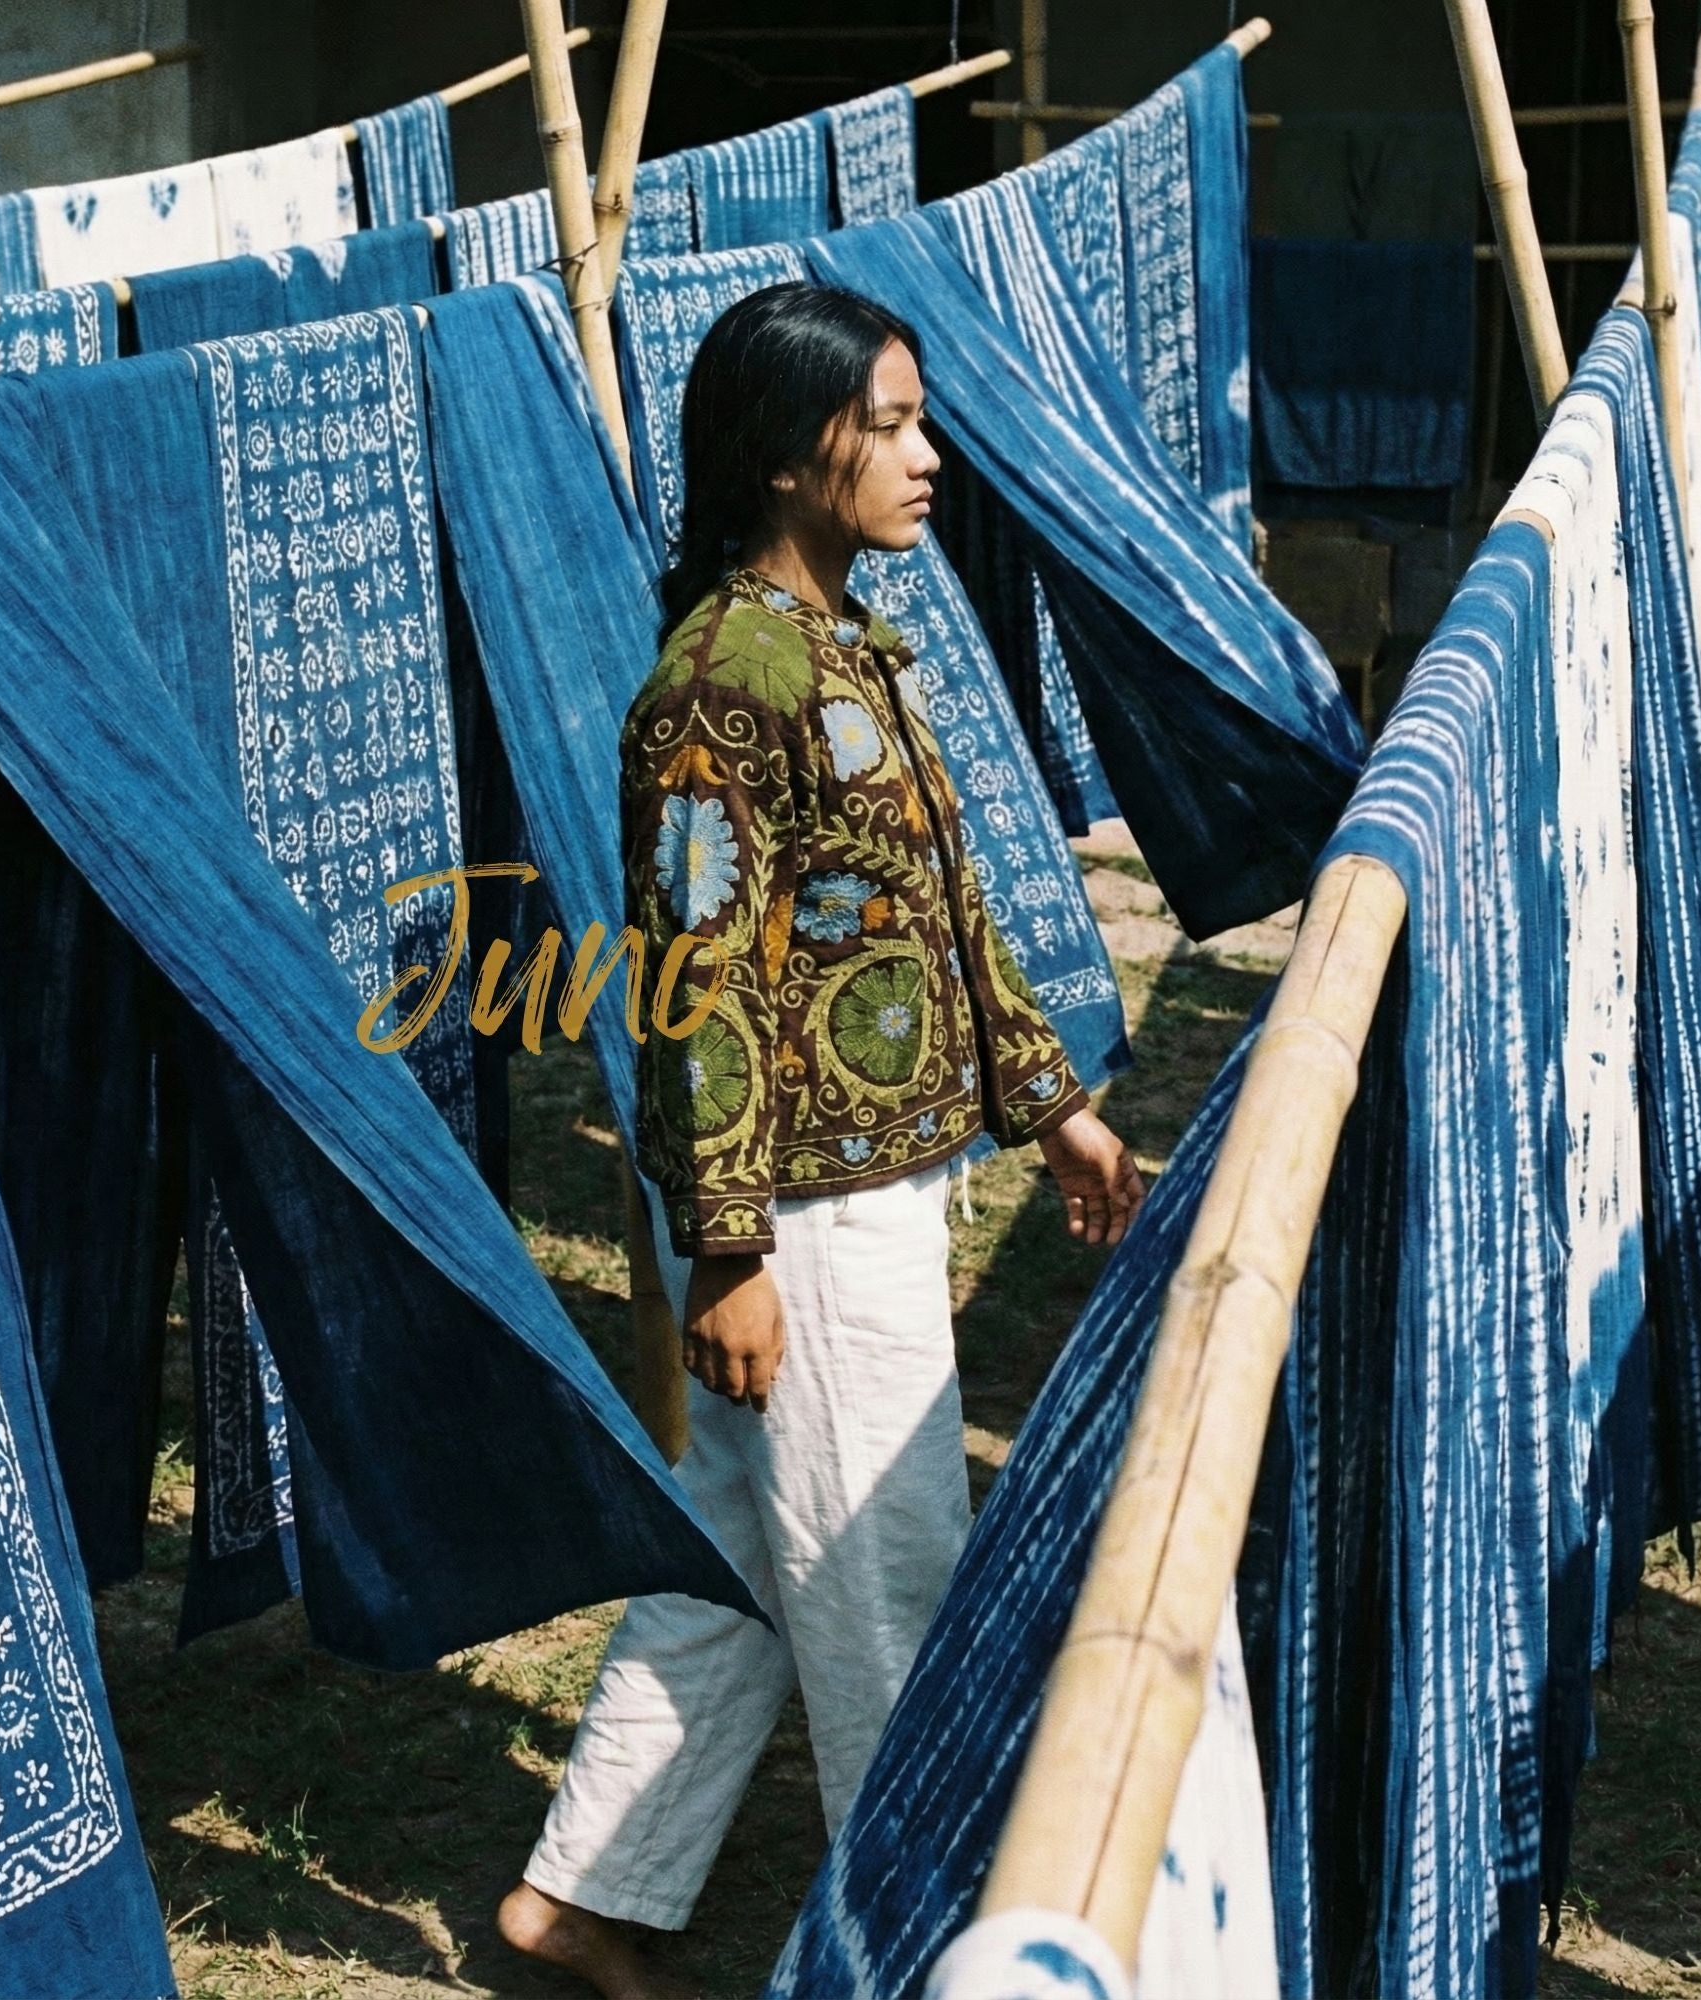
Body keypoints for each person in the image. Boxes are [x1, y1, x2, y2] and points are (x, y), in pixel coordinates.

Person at [498, 283, 1147, 1999]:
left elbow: (933, 918)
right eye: (894, 424)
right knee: (886, 1579)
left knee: (734, 1575)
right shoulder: (719, 689)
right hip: (806, 1212)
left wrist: (1055, 1108)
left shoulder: (844, 644)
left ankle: (585, 1895)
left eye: (923, 420)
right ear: (794, 458)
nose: (929, 458)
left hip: (862, 1194)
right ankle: (916, 1948)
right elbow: (694, 995)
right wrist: (730, 1252)